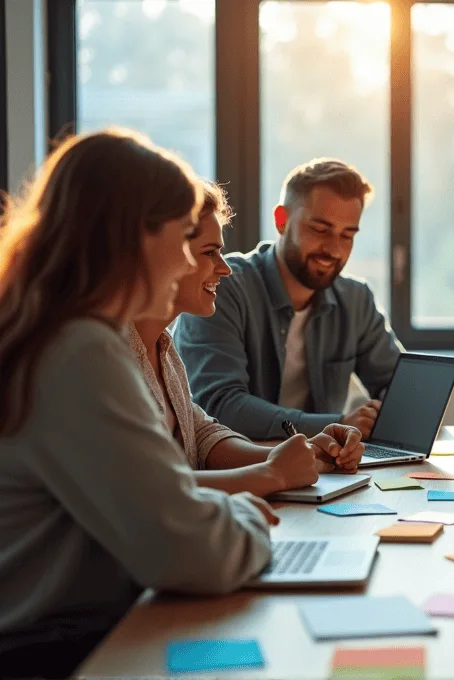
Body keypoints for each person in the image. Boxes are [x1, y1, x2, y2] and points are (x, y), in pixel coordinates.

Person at [0, 129, 274, 677]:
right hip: (54, 650)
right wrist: (246, 512)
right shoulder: (79, 350)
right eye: (179, 239)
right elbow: (189, 553)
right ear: (130, 237)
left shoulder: (56, 333)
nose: (182, 264)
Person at [129, 181, 364, 497]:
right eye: (210, 252)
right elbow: (144, 487)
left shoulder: (164, 347)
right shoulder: (108, 358)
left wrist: (305, 453)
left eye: (347, 235)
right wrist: (271, 474)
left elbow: (202, 435)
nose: (224, 269)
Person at [174, 158, 403, 441]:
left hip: (325, 468)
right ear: (281, 221)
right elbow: (220, 406)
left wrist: (385, 412)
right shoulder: (221, 287)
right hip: (242, 463)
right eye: (320, 230)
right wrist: (337, 423)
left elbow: (398, 385)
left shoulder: (355, 299)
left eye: (347, 235)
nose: (333, 249)